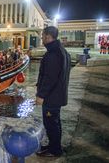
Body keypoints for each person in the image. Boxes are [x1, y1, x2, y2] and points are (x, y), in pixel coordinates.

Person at [36, 26, 71, 157]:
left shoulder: (53, 54)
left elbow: (50, 77)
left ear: (48, 37)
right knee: (55, 122)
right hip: (57, 95)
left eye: (42, 36)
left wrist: (41, 95)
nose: (42, 39)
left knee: (51, 123)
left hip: (51, 97)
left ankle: (54, 150)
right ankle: (54, 145)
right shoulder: (62, 51)